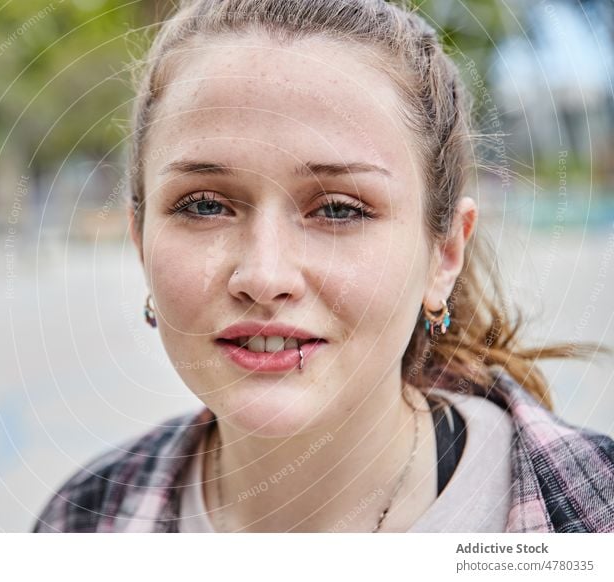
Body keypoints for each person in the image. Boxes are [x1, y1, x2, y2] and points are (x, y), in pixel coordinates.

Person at [32, 0, 614, 533]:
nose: (264, 276)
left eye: (338, 209)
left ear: (444, 254)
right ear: (142, 243)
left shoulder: (592, 516)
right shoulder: (78, 524)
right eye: (204, 205)